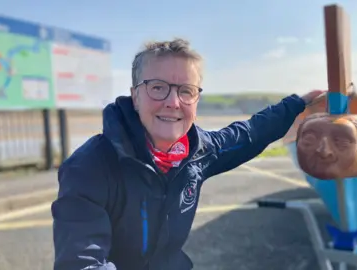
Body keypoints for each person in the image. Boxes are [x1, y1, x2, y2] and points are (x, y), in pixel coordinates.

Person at [51, 38, 324, 270]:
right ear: (135, 97)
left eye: (186, 91)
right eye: (158, 87)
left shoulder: (197, 152)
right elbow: (82, 263)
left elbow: (249, 133)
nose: (173, 102)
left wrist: (296, 104)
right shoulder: (90, 167)